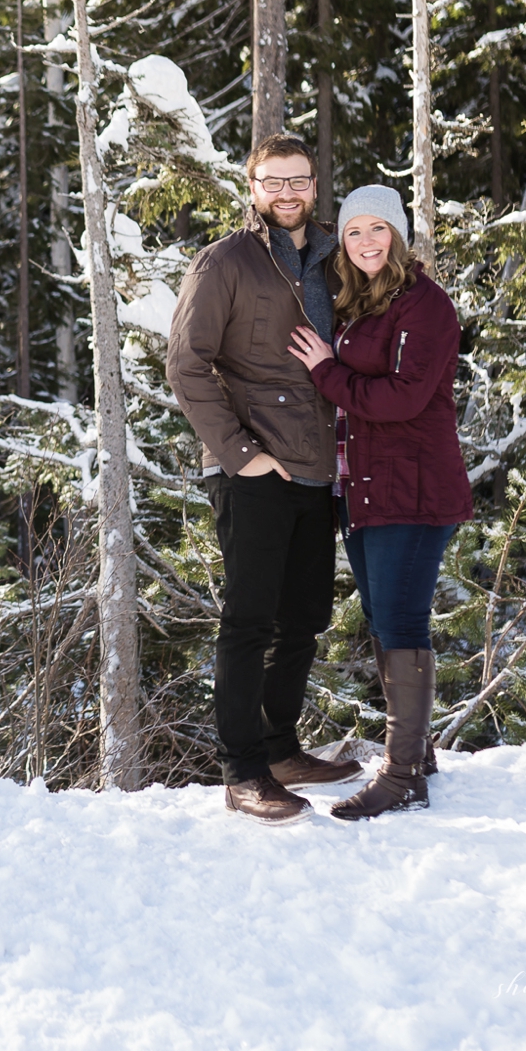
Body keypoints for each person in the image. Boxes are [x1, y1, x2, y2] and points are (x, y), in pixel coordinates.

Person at [166, 133, 365, 825]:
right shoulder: (224, 261)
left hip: (318, 464)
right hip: (252, 462)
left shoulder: (336, 258)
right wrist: (240, 453)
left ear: (314, 184)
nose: (287, 193)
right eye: (273, 181)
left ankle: (281, 750)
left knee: (304, 618)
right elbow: (186, 364)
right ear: (252, 188)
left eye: (298, 180)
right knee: (250, 618)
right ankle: (243, 771)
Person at [287, 184, 472, 820]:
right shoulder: (361, 302)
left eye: (378, 229)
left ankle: (402, 778)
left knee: (401, 622)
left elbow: (403, 399)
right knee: (384, 618)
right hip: (364, 488)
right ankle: (416, 755)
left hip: (413, 490)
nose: (367, 241)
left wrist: (326, 371)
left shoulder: (425, 305)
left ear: (397, 235)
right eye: (354, 231)